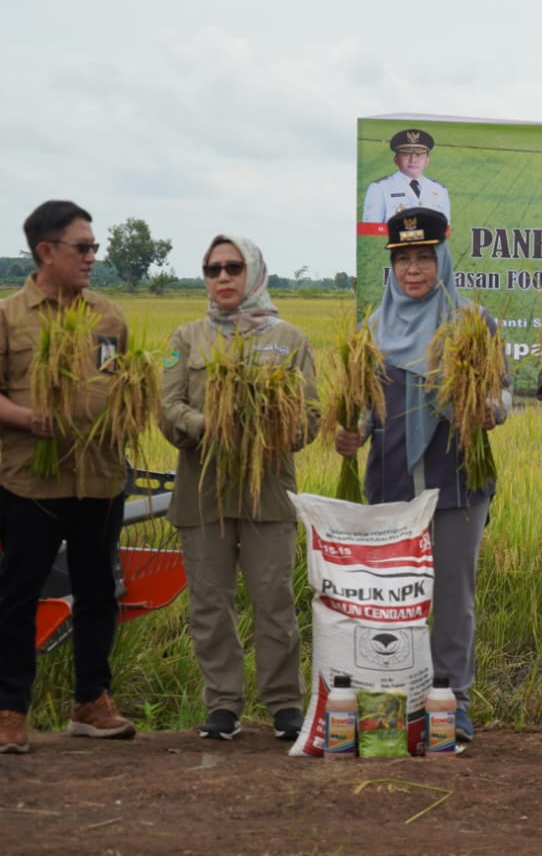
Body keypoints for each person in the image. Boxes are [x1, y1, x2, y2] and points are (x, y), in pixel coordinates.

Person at [334, 207, 509, 743]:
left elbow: (502, 396)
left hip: (456, 481)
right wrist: (350, 434)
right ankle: (389, 701)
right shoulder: (370, 330)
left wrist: (490, 410)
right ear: (392, 266)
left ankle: (451, 701)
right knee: (389, 596)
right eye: (403, 258)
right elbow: (361, 410)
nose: (413, 269)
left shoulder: (475, 323)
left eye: (424, 257)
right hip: (388, 484)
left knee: (453, 598)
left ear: (442, 259)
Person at [160, 235, 318, 741]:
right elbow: (168, 409)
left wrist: (271, 428)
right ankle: (223, 704)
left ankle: (284, 704)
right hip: (202, 491)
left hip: (267, 492)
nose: (223, 277)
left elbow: (309, 417)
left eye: (232, 267)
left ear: (253, 271)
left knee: (273, 598)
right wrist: (213, 426)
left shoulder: (289, 340)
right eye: (212, 269)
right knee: (209, 601)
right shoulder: (186, 338)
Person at [0, 200, 136, 753]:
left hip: (98, 479)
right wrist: (31, 419)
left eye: (93, 248)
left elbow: (121, 383)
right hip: (28, 482)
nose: (91, 258)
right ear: (46, 252)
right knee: (18, 593)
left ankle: (91, 702)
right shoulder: (8, 318)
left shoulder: (109, 318)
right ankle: (9, 712)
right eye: (82, 248)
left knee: (99, 589)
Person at [362, 128, 451, 223]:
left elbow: (444, 230)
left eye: (418, 155)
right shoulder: (379, 188)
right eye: (406, 154)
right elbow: (371, 231)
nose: (413, 160)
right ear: (396, 159)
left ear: (427, 160)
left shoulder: (440, 190)